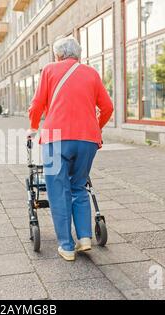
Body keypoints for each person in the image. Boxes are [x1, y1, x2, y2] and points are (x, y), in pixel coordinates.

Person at [28, 36, 114, 262]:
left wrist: (32, 126)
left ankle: (66, 246)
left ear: (57, 55)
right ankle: (85, 238)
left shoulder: (49, 70)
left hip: (56, 138)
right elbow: (107, 107)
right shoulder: (91, 73)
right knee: (78, 185)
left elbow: (37, 104)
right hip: (87, 140)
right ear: (79, 55)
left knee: (58, 191)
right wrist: (97, 127)